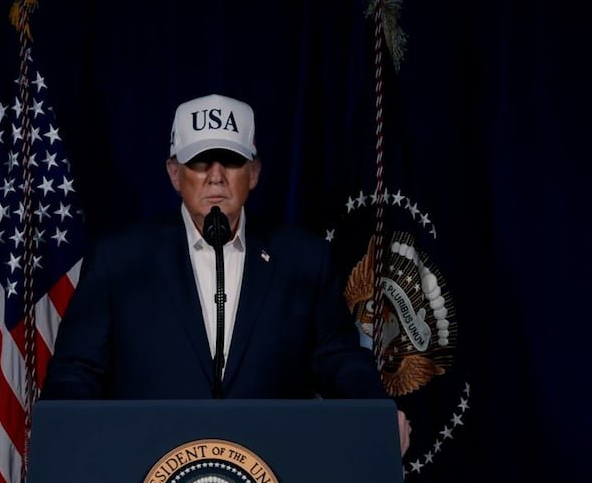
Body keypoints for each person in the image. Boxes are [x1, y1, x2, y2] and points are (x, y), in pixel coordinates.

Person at [41, 93, 410, 454]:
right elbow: (77, 370)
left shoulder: (304, 259)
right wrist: (61, 432)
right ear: (174, 174)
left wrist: (376, 412)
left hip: (271, 466)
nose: (215, 177)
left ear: (254, 173)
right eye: (200, 162)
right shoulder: (119, 259)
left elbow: (339, 359)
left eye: (231, 161)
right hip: (148, 466)